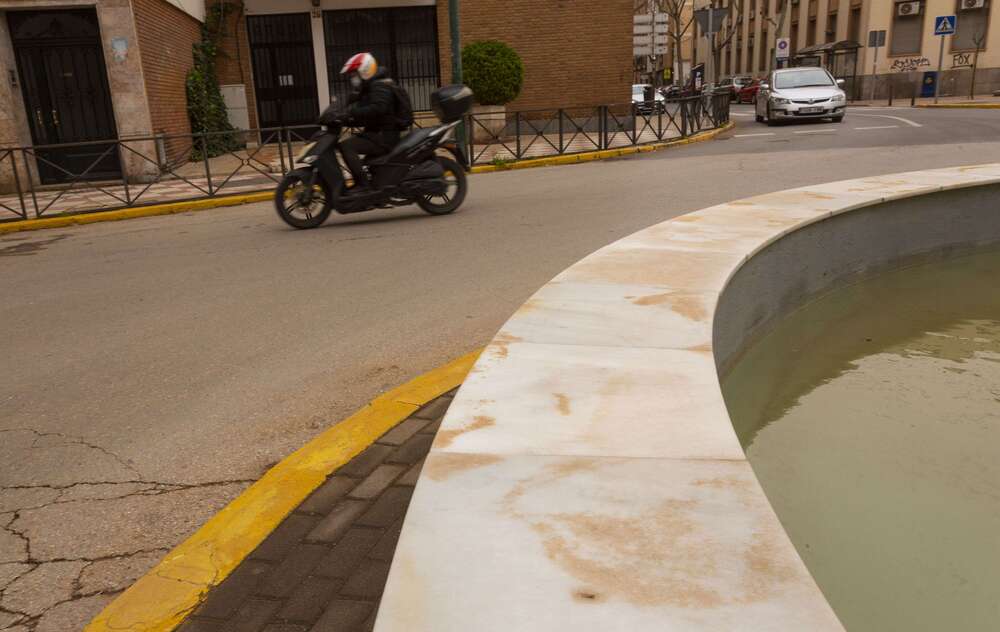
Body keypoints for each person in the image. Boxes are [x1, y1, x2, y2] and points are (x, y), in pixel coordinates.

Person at [339, 52, 405, 193]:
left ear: (364, 70)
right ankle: (372, 188)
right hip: (377, 133)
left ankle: (363, 185)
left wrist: (351, 113)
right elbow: (369, 115)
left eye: (354, 74)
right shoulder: (371, 86)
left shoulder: (379, 86)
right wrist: (345, 119)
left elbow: (378, 108)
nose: (353, 78)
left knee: (347, 146)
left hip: (384, 136)